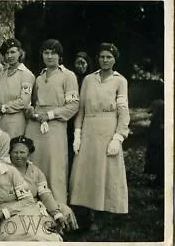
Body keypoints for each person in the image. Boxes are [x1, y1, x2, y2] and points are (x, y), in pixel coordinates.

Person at [70, 43, 130, 231]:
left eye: (109, 57)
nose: (105, 60)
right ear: (97, 58)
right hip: (89, 128)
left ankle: (104, 212)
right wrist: (77, 134)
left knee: (106, 171)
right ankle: (86, 212)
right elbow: (81, 110)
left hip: (108, 128)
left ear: (114, 59)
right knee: (87, 171)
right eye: (102, 57)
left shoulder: (120, 81)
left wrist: (118, 137)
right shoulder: (88, 79)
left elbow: (123, 111)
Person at [0, 141, 63, 241]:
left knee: (35, 236)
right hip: (1, 220)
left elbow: (27, 200)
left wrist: (4, 212)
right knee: (11, 238)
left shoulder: (11, 172)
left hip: (23, 210)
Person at [25, 39, 79, 204]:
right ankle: (34, 209)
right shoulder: (39, 77)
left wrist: (49, 115)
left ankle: (58, 210)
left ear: (60, 56)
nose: (49, 56)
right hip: (35, 126)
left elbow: (73, 105)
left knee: (54, 168)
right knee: (33, 165)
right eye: (46, 53)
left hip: (55, 125)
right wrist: (31, 110)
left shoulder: (68, 76)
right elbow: (34, 102)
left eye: (53, 53)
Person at [9, 136, 79, 234]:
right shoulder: (4, 170)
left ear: (29, 154)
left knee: (63, 210)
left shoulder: (36, 171)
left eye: (22, 152)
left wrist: (56, 214)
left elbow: (45, 194)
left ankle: (59, 228)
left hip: (35, 203)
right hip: (13, 207)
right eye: (15, 152)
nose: (18, 156)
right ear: (10, 153)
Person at [0, 38, 35, 138]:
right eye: (7, 53)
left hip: (16, 121)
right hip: (0, 121)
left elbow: (24, 102)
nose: (10, 56)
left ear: (19, 53)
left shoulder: (26, 74)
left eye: (13, 52)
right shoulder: (2, 73)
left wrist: (4, 108)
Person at [67, 51, 92, 179]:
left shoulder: (91, 80)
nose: (80, 66)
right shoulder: (70, 78)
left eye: (83, 63)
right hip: (71, 118)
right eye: (78, 63)